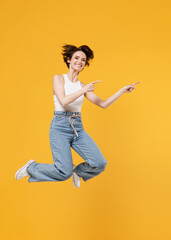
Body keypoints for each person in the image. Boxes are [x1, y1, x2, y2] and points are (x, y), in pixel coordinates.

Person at [15, 44, 140, 188]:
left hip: (77, 128)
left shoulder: (83, 85)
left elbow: (103, 104)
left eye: (83, 60)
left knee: (100, 163)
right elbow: (63, 101)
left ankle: (79, 171)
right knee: (63, 172)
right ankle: (32, 168)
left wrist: (122, 91)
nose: (79, 61)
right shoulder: (59, 79)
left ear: (84, 65)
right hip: (60, 127)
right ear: (69, 59)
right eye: (76, 58)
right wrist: (84, 90)